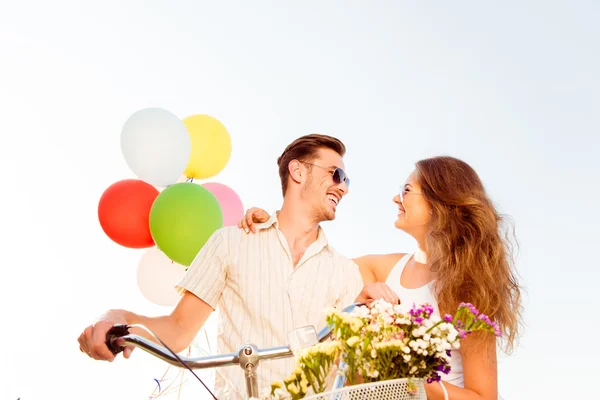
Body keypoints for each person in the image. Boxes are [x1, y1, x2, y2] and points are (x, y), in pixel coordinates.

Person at [77, 134, 396, 399]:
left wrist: (380, 314)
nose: (344, 187)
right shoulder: (231, 242)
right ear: (298, 172)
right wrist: (118, 318)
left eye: (347, 179)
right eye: (336, 175)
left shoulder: (345, 272)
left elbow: (357, 367)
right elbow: (177, 331)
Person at [239, 155, 523, 400]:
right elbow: (308, 269)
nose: (396, 197)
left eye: (407, 189)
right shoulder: (381, 270)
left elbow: (483, 397)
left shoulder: (469, 293)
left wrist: (407, 379)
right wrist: (275, 226)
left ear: (439, 203)